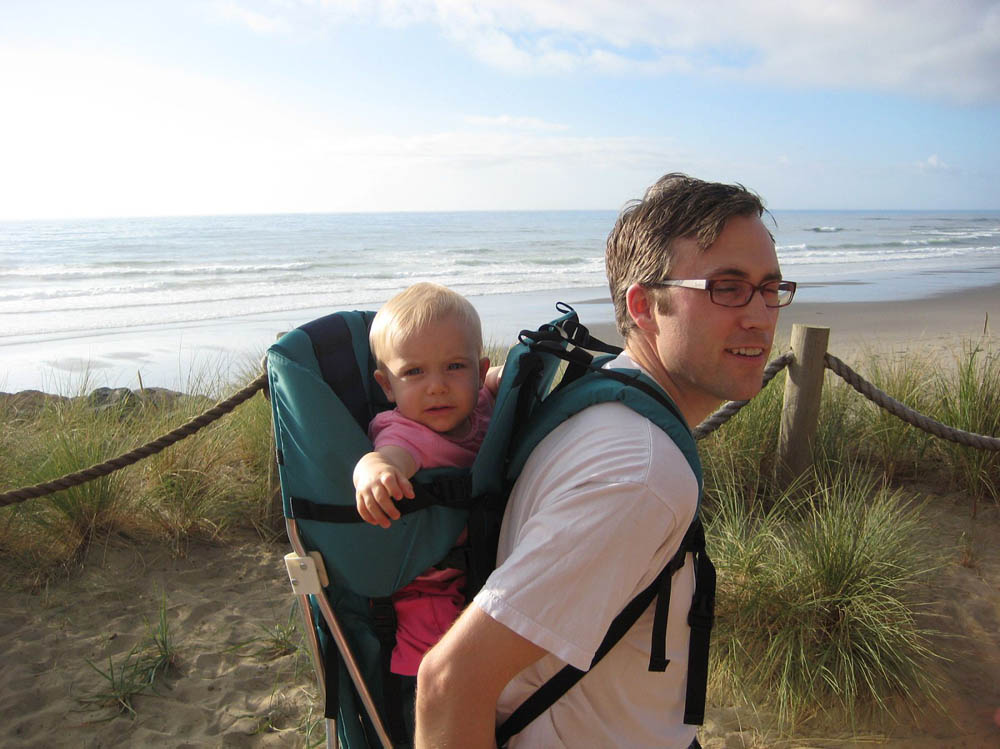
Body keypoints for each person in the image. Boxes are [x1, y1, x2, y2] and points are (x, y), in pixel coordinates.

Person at [414, 173, 796, 748]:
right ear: (643, 305)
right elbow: (450, 683)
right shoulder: (640, 474)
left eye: (770, 287)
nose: (761, 316)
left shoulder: (603, 393)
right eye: (726, 287)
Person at [353, 282, 502, 735]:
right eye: (414, 372)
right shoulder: (406, 434)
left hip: (483, 574)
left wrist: (517, 367)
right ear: (387, 384)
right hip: (428, 593)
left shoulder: (481, 406)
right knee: (435, 683)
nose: (437, 386)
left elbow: (504, 380)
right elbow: (383, 457)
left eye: (454, 367)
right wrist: (374, 475)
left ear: (478, 371)